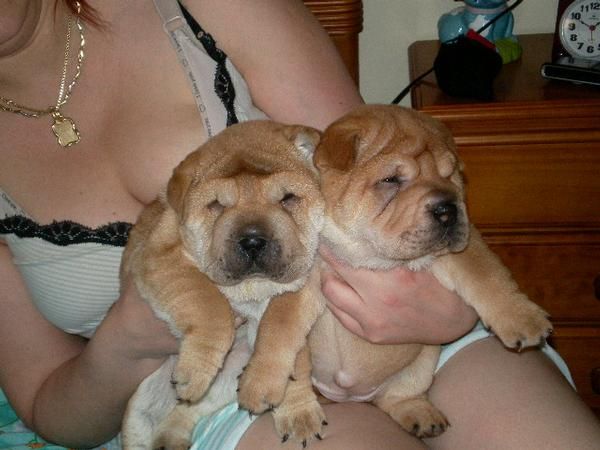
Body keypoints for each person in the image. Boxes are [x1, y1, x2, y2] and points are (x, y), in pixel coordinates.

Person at [0, 1, 598, 449]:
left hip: (410, 307)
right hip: (226, 389)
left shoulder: (208, 9)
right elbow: (44, 400)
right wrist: (127, 340)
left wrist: (459, 313)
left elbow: (398, 177)